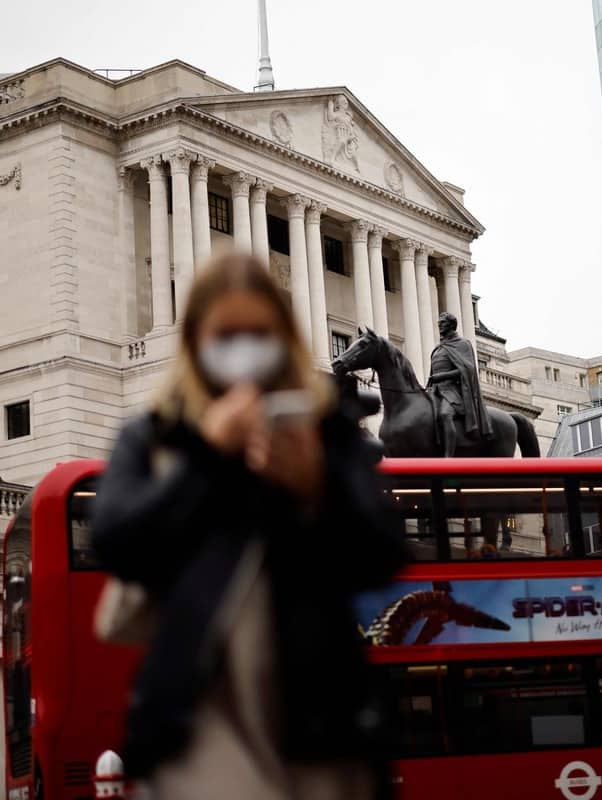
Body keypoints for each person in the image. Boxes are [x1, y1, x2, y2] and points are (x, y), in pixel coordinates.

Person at [91, 252, 405, 799]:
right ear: (195, 340)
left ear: (283, 338)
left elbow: (384, 553)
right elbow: (115, 541)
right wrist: (206, 455)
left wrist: (314, 484)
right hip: (197, 720)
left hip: (323, 720)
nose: (243, 349)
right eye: (226, 334)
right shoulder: (157, 435)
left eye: (258, 333)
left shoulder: (328, 428)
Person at [425, 311, 493, 457]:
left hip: (453, 391)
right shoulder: (440, 347)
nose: (439, 325)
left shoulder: (463, 344)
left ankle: (449, 456)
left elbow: (467, 370)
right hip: (436, 390)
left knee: (445, 414)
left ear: (451, 325)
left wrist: (442, 376)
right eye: (439, 323)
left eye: (442, 323)